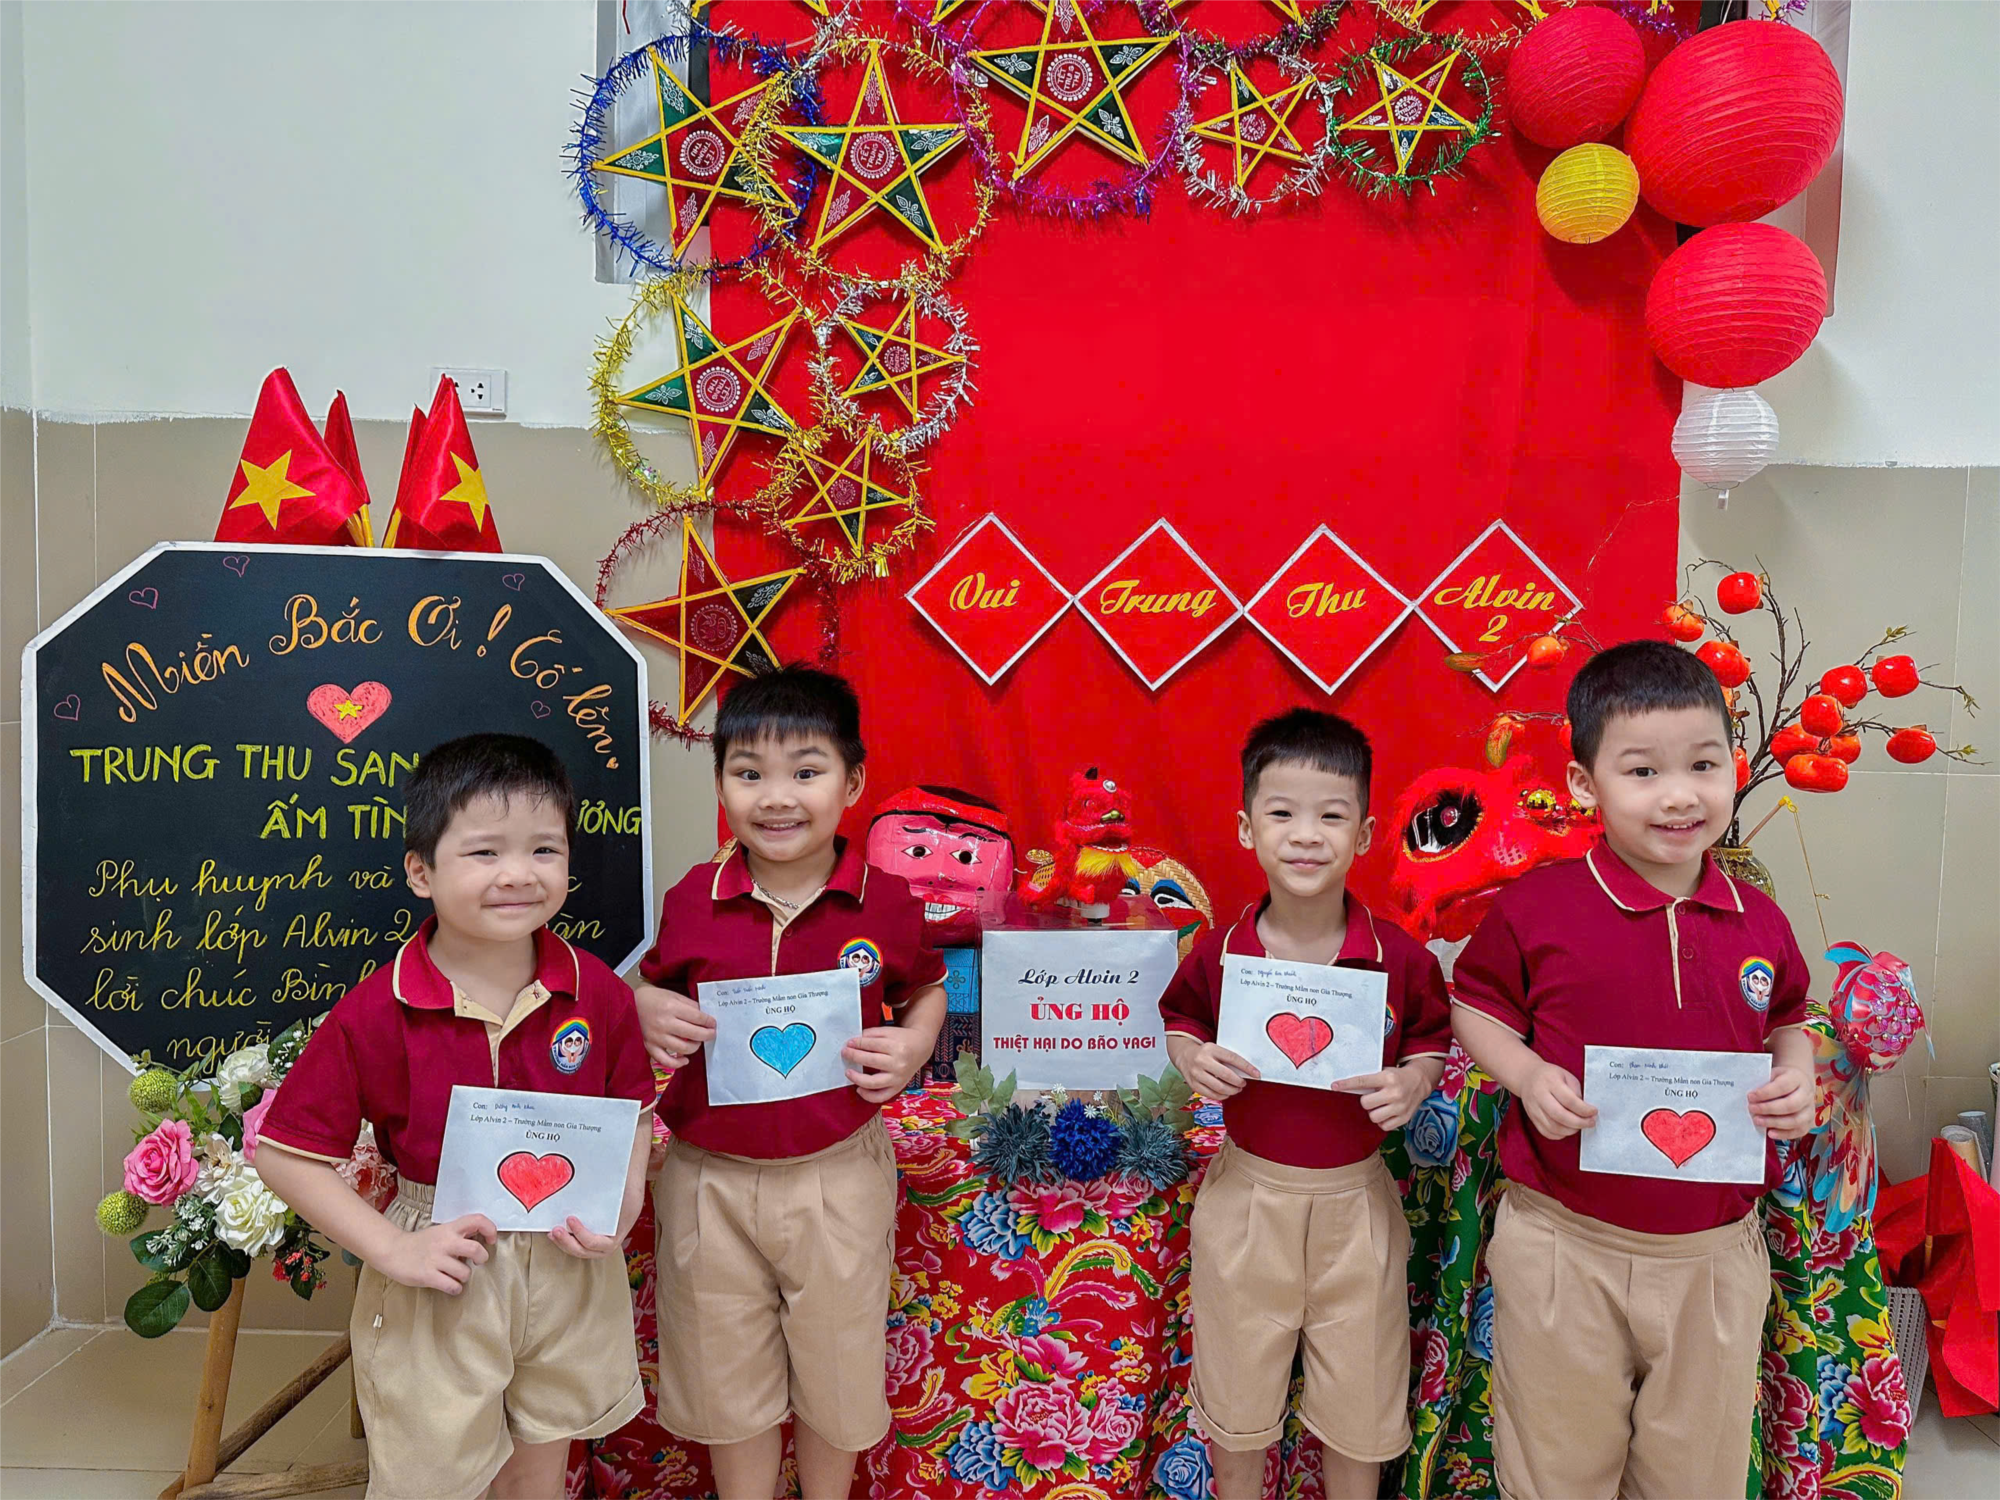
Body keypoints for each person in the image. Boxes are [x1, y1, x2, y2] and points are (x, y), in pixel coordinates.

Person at [1451, 639, 1817, 1500]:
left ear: (1734, 767)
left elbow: (1789, 1016)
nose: (1679, 795)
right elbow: (1475, 1006)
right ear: (1586, 785)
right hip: (1564, 1247)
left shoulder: (1758, 918)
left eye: (1702, 765)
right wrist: (1526, 1074)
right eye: (1643, 771)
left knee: (1697, 1475)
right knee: (1555, 1470)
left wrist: (1796, 1073)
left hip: (1713, 1256)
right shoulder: (1538, 908)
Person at [254, 734, 655, 1500]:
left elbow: (635, 1106)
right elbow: (284, 1154)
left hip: (566, 1260)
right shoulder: (376, 1010)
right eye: (484, 852)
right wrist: (391, 1250)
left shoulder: (597, 991)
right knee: (430, 1471)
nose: (518, 874)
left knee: (543, 1452)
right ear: (420, 872)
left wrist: (624, 1200)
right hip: (441, 1261)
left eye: (544, 849)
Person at [633, 665, 947, 1500]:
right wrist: (643, 1007)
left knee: (837, 1373)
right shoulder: (691, 898)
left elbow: (926, 988)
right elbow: (654, 987)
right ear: (721, 785)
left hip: (836, 1173)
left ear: (853, 783)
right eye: (749, 773)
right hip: (709, 1179)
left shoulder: (886, 903)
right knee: (724, 1376)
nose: (776, 797)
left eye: (806, 772)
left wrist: (915, 1042)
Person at [1159, 708, 1452, 1500]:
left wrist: (1414, 1080)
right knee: (1237, 1397)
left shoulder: (1400, 958)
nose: (1306, 836)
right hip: (1247, 1201)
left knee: (1362, 1399)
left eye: (1331, 816)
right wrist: (1193, 1057)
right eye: (1283, 813)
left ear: (1365, 834)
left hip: (1357, 1205)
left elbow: (1430, 1040)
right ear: (1246, 828)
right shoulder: (1222, 951)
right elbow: (1180, 1019)